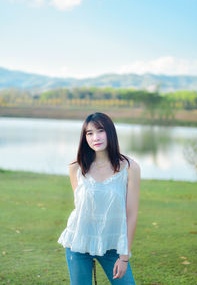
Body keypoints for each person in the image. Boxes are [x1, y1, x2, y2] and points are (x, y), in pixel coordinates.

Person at [58, 112, 140, 285]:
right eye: (89, 133)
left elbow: (131, 213)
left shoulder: (130, 167)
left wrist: (124, 257)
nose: (95, 137)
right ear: (84, 137)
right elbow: (81, 207)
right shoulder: (76, 168)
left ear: (110, 132)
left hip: (113, 245)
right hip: (78, 242)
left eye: (100, 131)